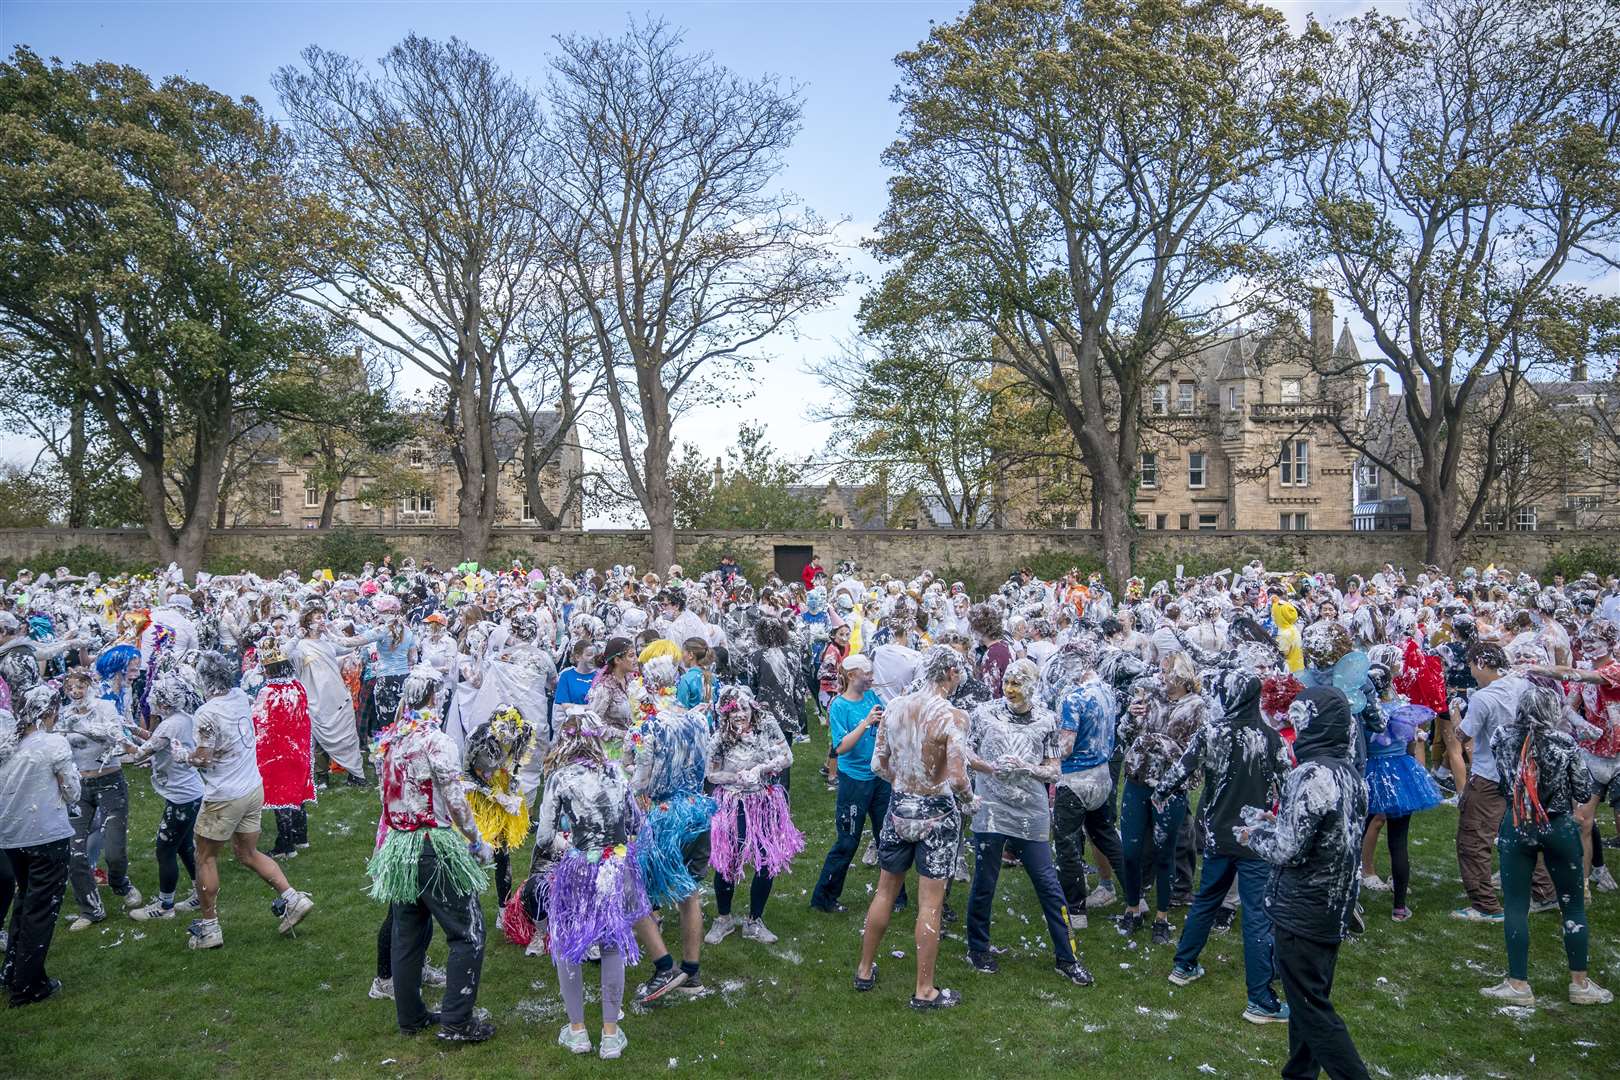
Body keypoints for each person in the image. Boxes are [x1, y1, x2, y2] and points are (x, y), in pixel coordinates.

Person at [1242, 683, 1371, 1080]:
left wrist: (1253, 835)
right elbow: (1328, 835)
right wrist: (1277, 820)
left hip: (1303, 908)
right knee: (1307, 1000)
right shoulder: (1350, 774)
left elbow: (1288, 849)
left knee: (1312, 1010)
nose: (1294, 730)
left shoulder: (1310, 773)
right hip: (1332, 908)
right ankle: (1298, 1074)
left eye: (1300, 722)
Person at [367, 663, 495, 1043]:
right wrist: (474, 841)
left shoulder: (390, 741)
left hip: (399, 847)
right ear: (434, 697)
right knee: (467, 932)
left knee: (407, 933)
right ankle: (457, 1023)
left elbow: (385, 799)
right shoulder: (437, 742)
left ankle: (411, 1018)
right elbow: (456, 801)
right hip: (432, 846)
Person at [1156, 669, 1293, 1024]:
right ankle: (1261, 999)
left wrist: (1160, 794)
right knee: (1257, 915)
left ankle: (1183, 965)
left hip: (1217, 832)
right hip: (1254, 837)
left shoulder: (1212, 733)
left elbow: (1181, 770)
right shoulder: (1271, 739)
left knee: (1206, 899)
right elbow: (1289, 787)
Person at [854, 645, 973, 1010]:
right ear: (951, 672)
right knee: (930, 905)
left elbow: (878, 765)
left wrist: (904, 784)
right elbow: (956, 778)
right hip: (936, 813)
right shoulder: (950, 715)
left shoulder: (894, 707)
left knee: (885, 891)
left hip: (898, 809)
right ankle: (924, 990)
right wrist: (970, 799)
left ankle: (863, 970)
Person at [1478, 680, 1611, 1006]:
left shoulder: (1502, 738)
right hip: (1558, 827)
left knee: (1516, 905)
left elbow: (1504, 781)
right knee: (1573, 904)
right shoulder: (1565, 743)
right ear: (1553, 712)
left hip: (1517, 825)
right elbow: (1582, 792)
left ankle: (1518, 984)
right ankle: (1579, 984)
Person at [963, 659, 1093, 986]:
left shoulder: (1047, 719)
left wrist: (1027, 768)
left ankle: (1068, 957)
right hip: (991, 806)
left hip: (1030, 811)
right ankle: (978, 948)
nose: (1010, 689)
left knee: (1049, 884)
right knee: (985, 882)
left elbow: (1054, 769)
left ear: (1032, 687)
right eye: (1007, 682)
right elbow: (966, 754)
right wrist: (992, 768)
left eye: (1018, 684)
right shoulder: (985, 714)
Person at [536, 712, 650, 1059]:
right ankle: (611, 1035)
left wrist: (570, 846)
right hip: (614, 869)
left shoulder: (560, 778)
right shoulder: (617, 773)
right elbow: (636, 823)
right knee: (612, 943)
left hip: (579, 870)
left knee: (569, 943)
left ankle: (578, 1032)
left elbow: (543, 837)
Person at [183, 651, 314, 950]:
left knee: (204, 857)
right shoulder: (240, 696)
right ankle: (293, 899)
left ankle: (209, 928)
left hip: (224, 795)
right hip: (252, 788)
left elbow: (203, 758)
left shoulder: (206, 713)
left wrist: (182, 755)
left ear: (203, 679)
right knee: (247, 853)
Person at [630, 659, 717, 1003]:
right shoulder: (699, 719)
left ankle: (664, 966)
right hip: (698, 811)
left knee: (633, 894)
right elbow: (707, 766)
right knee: (689, 892)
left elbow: (640, 781)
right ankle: (691, 973)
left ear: (648, 685)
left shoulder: (647, 727)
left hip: (663, 817)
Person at [1452, 642, 1558, 920]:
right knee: (1525, 835)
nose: (1471, 671)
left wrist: (1454, 713)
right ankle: (1545, 893)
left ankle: (1485, 905)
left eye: (1472, 665)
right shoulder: (1522, 685)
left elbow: (1463, 735)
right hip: (1524, 774)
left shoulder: (1483, 698)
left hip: (1490, 777)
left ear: (1482, 664)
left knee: (1473, 839)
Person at [704, 685, 802, 945]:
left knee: (766, 858)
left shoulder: (767, 724)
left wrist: (762, 768)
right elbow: (711, 774)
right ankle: (723, 918)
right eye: (732, 713)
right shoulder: (720, 736)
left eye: (743, 711)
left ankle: (754, 921)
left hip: (764, 801)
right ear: (725, 716)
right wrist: (734, 777)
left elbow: (787, 756)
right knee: (730, 858)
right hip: (733, 802)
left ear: (752, 708)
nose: (739, 717)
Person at [810, 653, 905, 913]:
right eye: (867, 673)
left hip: (879, 778)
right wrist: (865, 723)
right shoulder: (839, 706)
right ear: (852, 675)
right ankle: (824, 898)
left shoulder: (872, 697)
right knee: (848, 840)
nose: (872, 677)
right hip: (854, 781)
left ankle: (896, 895)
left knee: (887, 836)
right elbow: (840, 747)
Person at [0, 691, 78, 1006]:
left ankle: (12, 971)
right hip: (46, 835)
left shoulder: (7, 744)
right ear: (50, 712)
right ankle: (28, 986)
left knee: (25, 900)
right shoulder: (52, 744)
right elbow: (72, 791)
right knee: (41, 909)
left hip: (12, 837)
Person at [57, 669, 139, 928]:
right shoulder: (64, 715)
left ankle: (119, 883)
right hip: (79, 787)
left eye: (80, 686)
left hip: (110, 782)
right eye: (70, 688)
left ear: (90, 686)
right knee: (74, 852)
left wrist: (81, 726)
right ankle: (90, 908)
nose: (75, 692)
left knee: (114, 850)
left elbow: (116, 735)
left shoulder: (105, 707)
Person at [123, 673, 205, 920]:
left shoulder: (170, 723)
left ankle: (165, 906)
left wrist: (115, 737)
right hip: (191, 792)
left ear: (165, 702)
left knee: (165, 848)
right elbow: (159, 743)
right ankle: (200, 895)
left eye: (154, 697)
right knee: (183, 846)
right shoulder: (182, 718)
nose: (150, 700)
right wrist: (133, 728)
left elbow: (139, 753)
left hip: (182, 797)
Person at [252, 641, 316, 859]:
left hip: (277, 752)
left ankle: (285, 845)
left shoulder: (267, 691)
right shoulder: (298, 687)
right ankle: (301, 837)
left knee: (281, 797)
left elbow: (258, 722)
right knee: (297, 792)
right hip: (299, 748)